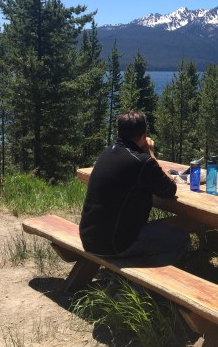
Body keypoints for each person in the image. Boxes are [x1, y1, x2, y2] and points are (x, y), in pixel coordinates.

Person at [79, 111, 189, 265]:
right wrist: (150, 154)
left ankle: (130, 266)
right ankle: (138, 273)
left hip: (89, 238)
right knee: (181, 238)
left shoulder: (107, 153)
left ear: (118, 132)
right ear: (144, 136)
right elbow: (170, 189)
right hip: (114, 245)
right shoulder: (142, 162)